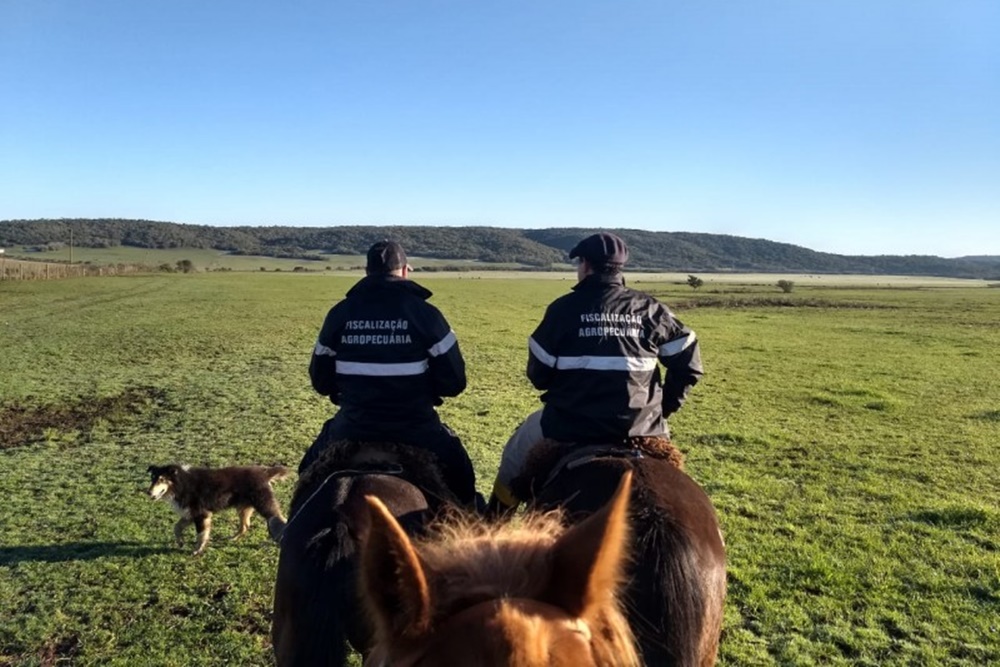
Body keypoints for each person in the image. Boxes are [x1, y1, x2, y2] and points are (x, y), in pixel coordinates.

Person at [491, 232, 704, 510]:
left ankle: (493, 518)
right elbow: (689, 366)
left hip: (569, 428)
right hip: (642, 427)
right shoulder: (652, 310)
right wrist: (662, 409)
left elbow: (539, 377)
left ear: (585, 265)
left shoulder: (561, 311)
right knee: (681, 494)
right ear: (620, 268)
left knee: (516, 454)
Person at [300, 240, 478, 507]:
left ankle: (292, 529)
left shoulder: (339, 314)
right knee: (462, 476)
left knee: (306, 474)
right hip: (417, 429)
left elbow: (321, 381)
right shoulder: (426, 314)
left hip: (351, 427)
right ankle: (470, 526)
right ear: (405, 270)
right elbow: (454, 382)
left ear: (366, 271)